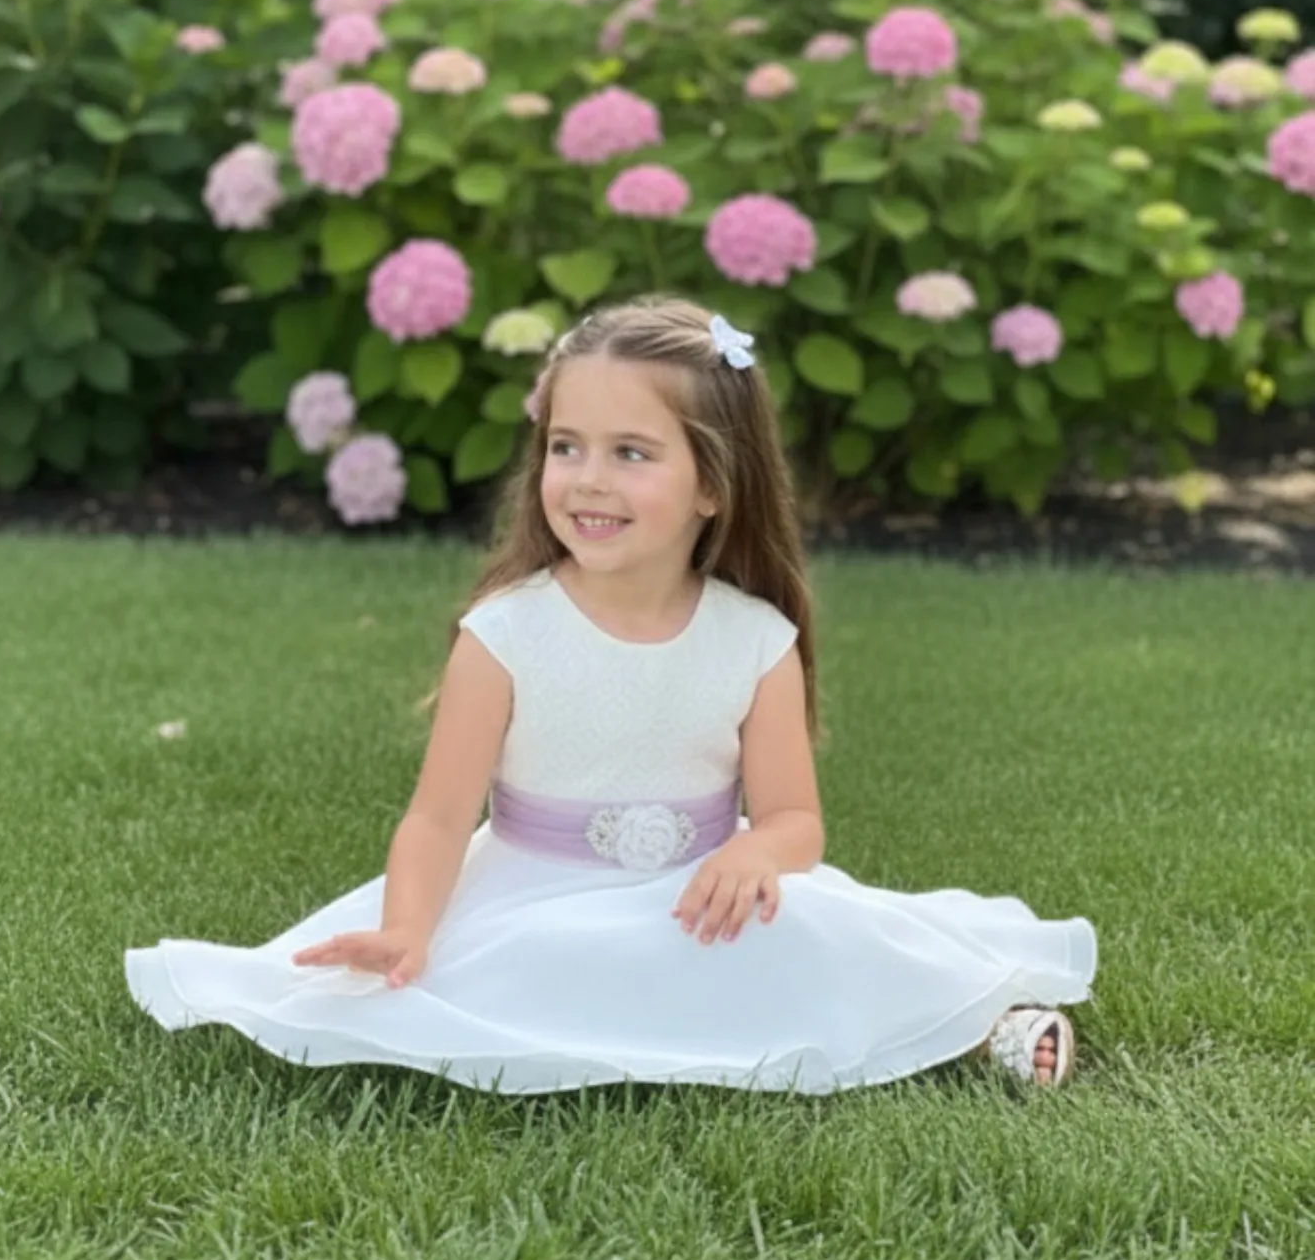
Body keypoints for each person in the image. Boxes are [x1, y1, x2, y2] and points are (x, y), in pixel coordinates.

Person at [125, 294, 1096, 1092]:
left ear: (714, 485)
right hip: (535, 898)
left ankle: (980, 1025)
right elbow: (436, 819)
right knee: (508, 974)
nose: (587, 480)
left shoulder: (755, 642)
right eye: (566, 447)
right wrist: (411, 924)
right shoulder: (505, 638)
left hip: (696, 896)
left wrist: (757, 852)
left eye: (632, 453)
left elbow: (796, 818)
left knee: (812, 932)